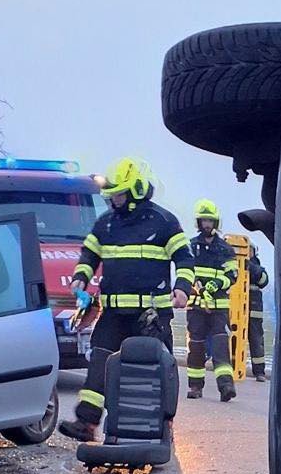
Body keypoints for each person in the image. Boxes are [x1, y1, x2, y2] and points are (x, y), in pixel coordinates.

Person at [57, 157, 194, 442]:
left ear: (136, 191)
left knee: (155, 371)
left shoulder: (164, 221)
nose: (113, 201)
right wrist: (80, 276)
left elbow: (184, 259)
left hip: (151, 314)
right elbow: (89, 254)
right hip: (114, 313)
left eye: (118, 195)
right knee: (100, 362)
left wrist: (182, 287)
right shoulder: (106, 224)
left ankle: (162, 425)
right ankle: (87, 423)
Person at [186, 200, 239, 402]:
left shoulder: (225, 248)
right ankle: (195, 387)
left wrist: (214, 285)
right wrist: (196, 285)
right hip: (197, 306)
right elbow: (186, 270)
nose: (207, 224)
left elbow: (233, 274)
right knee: (196, 346)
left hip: (219, 307)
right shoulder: (191, 246)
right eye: (204, 220)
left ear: (215, 222)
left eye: (210, 220)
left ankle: (226, 386)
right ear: (199, 223)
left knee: (220, 346)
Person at [247, 243, 270, 381]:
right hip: (235, 310)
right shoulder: (232, 263)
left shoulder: (257, 267)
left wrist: (251, 267)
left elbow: (263, 281)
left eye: (249, 250)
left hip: (254, 310)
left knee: (256, 340)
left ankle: (259, 372)